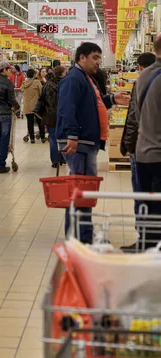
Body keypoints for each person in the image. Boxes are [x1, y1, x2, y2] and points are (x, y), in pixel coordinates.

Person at [56, 42, 130, 243]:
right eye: (95, 57)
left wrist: (112, 99)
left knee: (84, 191)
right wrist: (72, 136)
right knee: (81, 192)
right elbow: (66, 109)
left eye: (99, 57)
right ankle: (80, 238)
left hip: (85, 141)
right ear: (82, 58)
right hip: (78, 143)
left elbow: (92, 106)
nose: (99, 61)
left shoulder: (86, 79)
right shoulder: (73, 79)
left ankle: (81, 235)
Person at [120, 52, 155, 240]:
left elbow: (133, 117)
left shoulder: (142, 82)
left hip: (142, 148)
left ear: (140, 67)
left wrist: (129, 145)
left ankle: (144, 238)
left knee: (142, 194)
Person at [134, 35, 161, 248]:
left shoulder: (143, 77)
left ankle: (146, 244)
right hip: (159, 153)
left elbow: (136, 114)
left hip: (143, 151)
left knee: (147, 204)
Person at [41, 66, 66, 167]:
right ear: (62, 74)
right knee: (63, 138)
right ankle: (63, 159)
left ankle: (55, 161)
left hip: (50, 115)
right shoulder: (65, 84)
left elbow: (42, 99)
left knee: (52, 138)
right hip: (63, 114)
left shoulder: (47, 84)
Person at [22, 69, 45, 143]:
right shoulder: (37, 82)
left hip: (27, 106)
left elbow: (21, 90)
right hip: (36, 106)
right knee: (40, 122)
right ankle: (42, 137)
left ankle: (32, 138)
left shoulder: (24, 83)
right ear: (34, 75)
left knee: (30, 122)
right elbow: (41, 93)